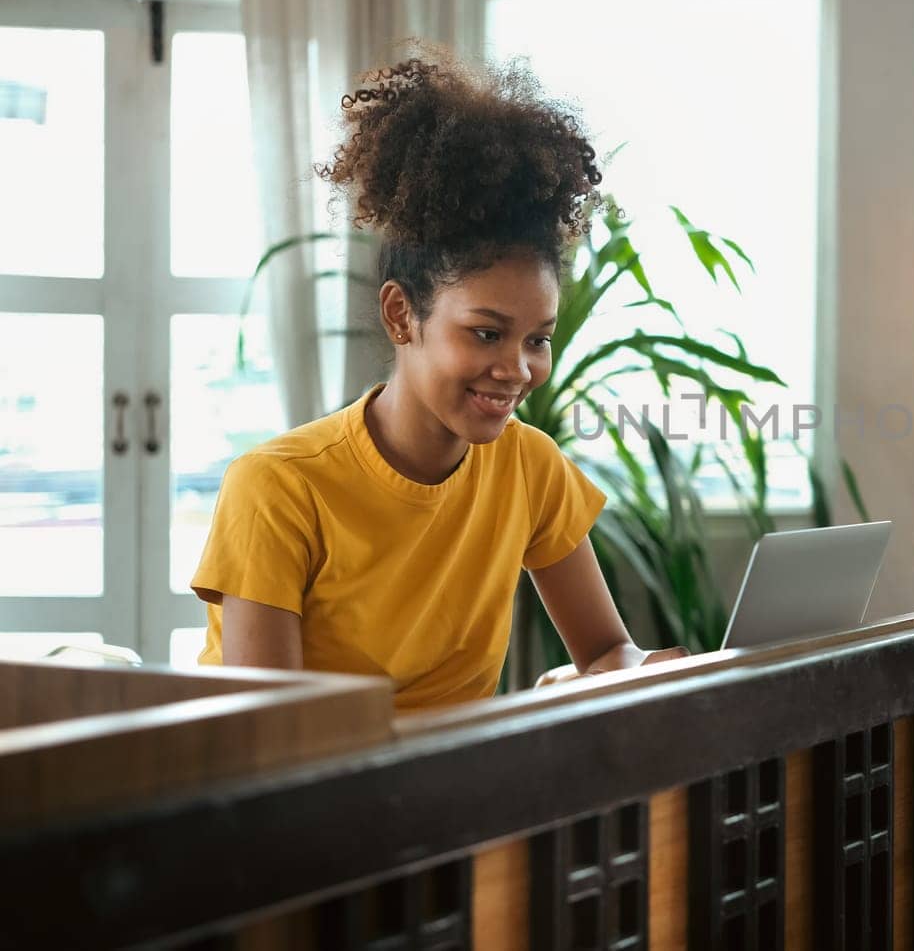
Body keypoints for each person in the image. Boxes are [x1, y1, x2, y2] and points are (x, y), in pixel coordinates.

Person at [191, 47, 686, 711]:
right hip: (308, 800)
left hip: (456, 793)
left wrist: (650, 667)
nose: (517, 369)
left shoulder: (530, 466)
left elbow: (603, 652)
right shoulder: (277, 489)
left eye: (538, 339)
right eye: (486, 333)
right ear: (403, 314)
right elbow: (273, 744)